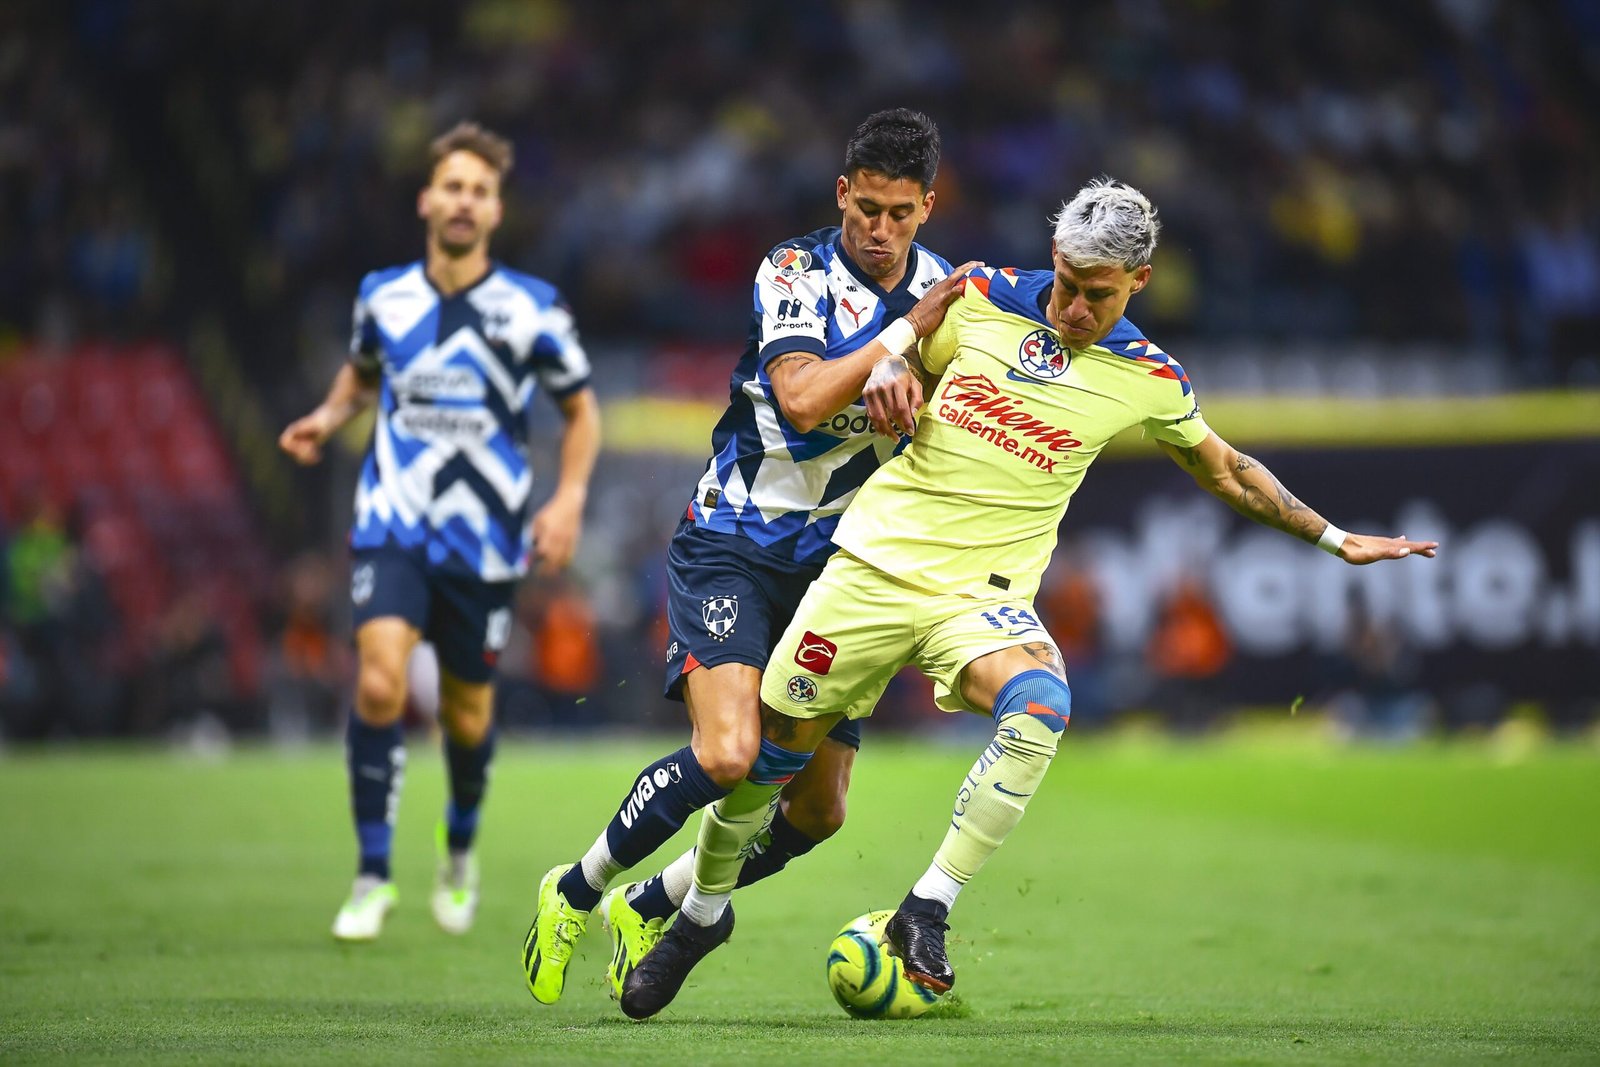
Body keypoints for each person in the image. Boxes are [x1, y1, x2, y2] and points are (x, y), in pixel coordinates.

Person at [619, 177, 1439, 1017]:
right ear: (1054, 255)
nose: (1076, 308)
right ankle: (696, 918)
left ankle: (925, 907)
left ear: (1140, 281)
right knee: (766, 773)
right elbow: (881, 352)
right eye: (1069, 283)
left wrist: (1335, 538)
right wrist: (891, 369)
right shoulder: (976, 296)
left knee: (1043, 701)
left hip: (982, 597)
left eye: (1100, 294)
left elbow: (1225, 467)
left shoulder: (1150, 378)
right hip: (869, 568)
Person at [521, 108, 978, 1005]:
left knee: (819, 810)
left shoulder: (949, 303)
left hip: (838, 573)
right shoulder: (797, 271)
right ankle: (574, 889)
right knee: (729, 753)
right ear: (842, 193)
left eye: (900, 213)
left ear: (927, 207)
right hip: (733, 539)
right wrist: (896, 343)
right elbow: (802, 399)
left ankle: (659, 900)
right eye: (866, 209)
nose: (879, 231)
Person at [278, 121, 600, 941]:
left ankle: (457, 848)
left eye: (479, 191)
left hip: (487, 540)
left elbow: (580, 409)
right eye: (451, 186)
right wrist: (325, 415)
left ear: (496, 210)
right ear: (428, 199)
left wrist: (565, 501)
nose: (463, 201)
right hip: (392, 521)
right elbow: (361, 371)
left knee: (465, 712)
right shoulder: (382, 294)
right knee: (380, 680)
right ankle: (372, 872)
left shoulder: (530, 307)